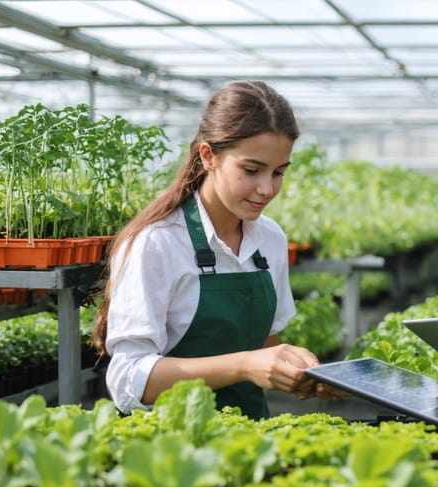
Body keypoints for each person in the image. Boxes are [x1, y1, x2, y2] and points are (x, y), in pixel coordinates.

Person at [91, 81, 338, 419]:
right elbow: (128, 381)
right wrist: (244, 364)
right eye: (251, 170)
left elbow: (266, 346)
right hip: (171, 446)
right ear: (209, 156)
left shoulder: (270, 239)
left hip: (251, 437)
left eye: (279, 172)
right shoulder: (158, 243)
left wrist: (303, 375)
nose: (266, 189)